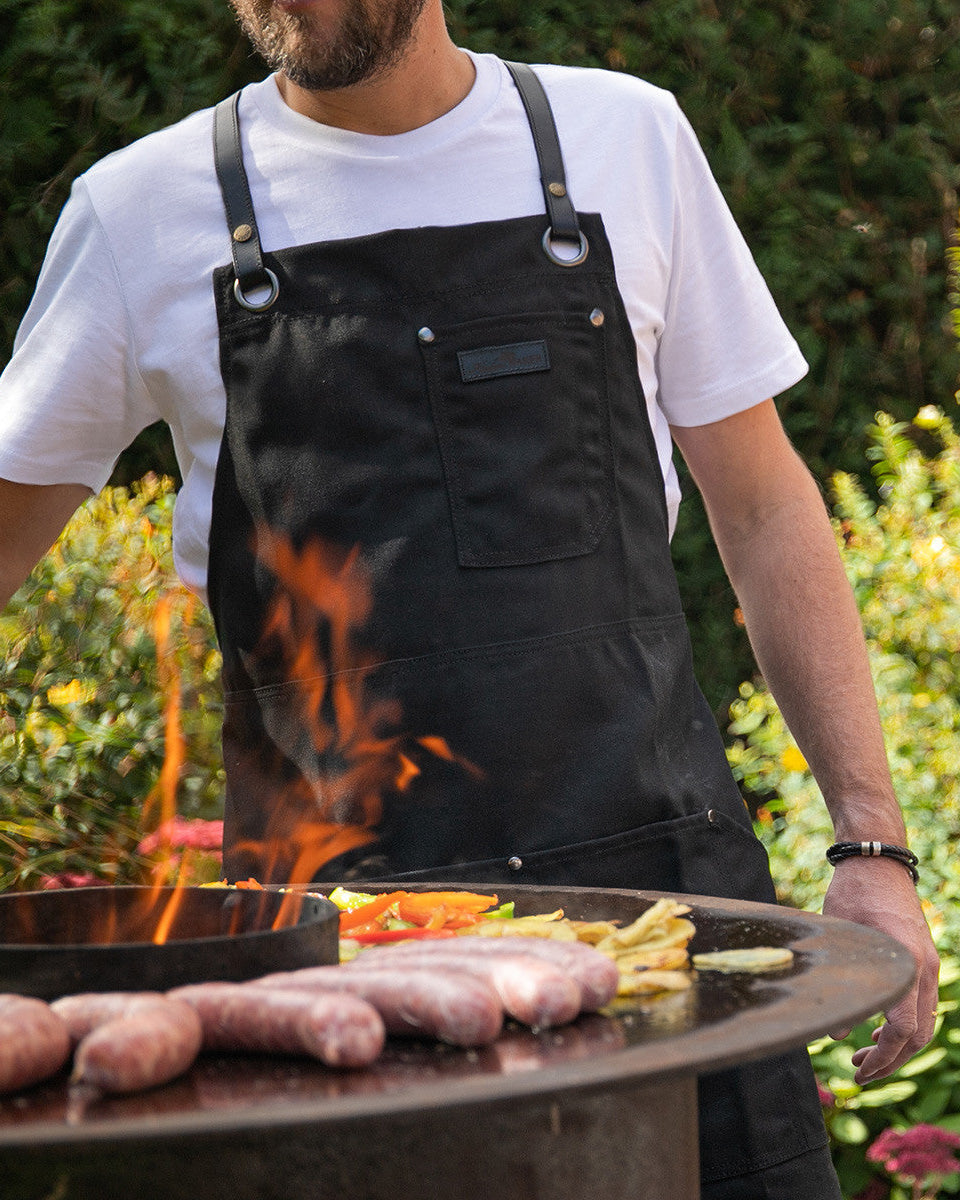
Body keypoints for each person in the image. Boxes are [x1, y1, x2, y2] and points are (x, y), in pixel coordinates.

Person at [0, 1, 939, 1195]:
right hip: (341, 967)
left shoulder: (627, 140)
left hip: (673, 923)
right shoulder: (140, 211)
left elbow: (763, 510)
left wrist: (873, 844)